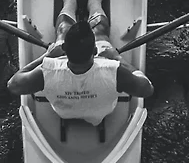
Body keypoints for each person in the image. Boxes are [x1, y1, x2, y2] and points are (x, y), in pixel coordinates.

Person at [8, 18, 153, 121]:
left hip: (63, 114)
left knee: (64, 27)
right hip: (101, 116)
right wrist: (117, 57)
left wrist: (47, 56)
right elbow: (147, 89)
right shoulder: (115, 70)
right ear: (95, 51)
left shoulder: (47, 70)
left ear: (64, 49)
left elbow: (13, 85)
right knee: (100, 29)